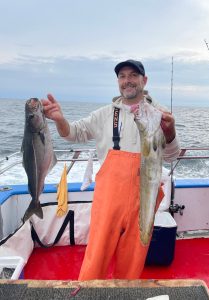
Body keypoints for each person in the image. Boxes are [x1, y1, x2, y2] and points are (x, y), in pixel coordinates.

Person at [42, 59, 180, 280]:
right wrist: (59, 119)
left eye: (133, 75)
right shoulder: (103, 115)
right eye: (122, 76)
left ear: (144, 80)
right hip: (108, 199)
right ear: (118, 82)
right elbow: (73, 133)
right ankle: (87, 293)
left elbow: (172, 155)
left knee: (133, 262)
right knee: (95, 258)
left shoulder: (160, 113)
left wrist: (170, 131)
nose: (128, 81)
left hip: (143, 198)